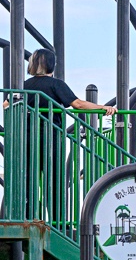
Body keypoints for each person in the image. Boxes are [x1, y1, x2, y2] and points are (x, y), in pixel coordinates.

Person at [15, 49, 116, 220]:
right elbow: (77, 104)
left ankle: (28, 217)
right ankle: (57, 220)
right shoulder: (55, 84)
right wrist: (103, 107)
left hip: (28, 137)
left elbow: (5, 104)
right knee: (54, 179)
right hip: (51, 137)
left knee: (29, 177)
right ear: (52, 65)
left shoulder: (24, 85)